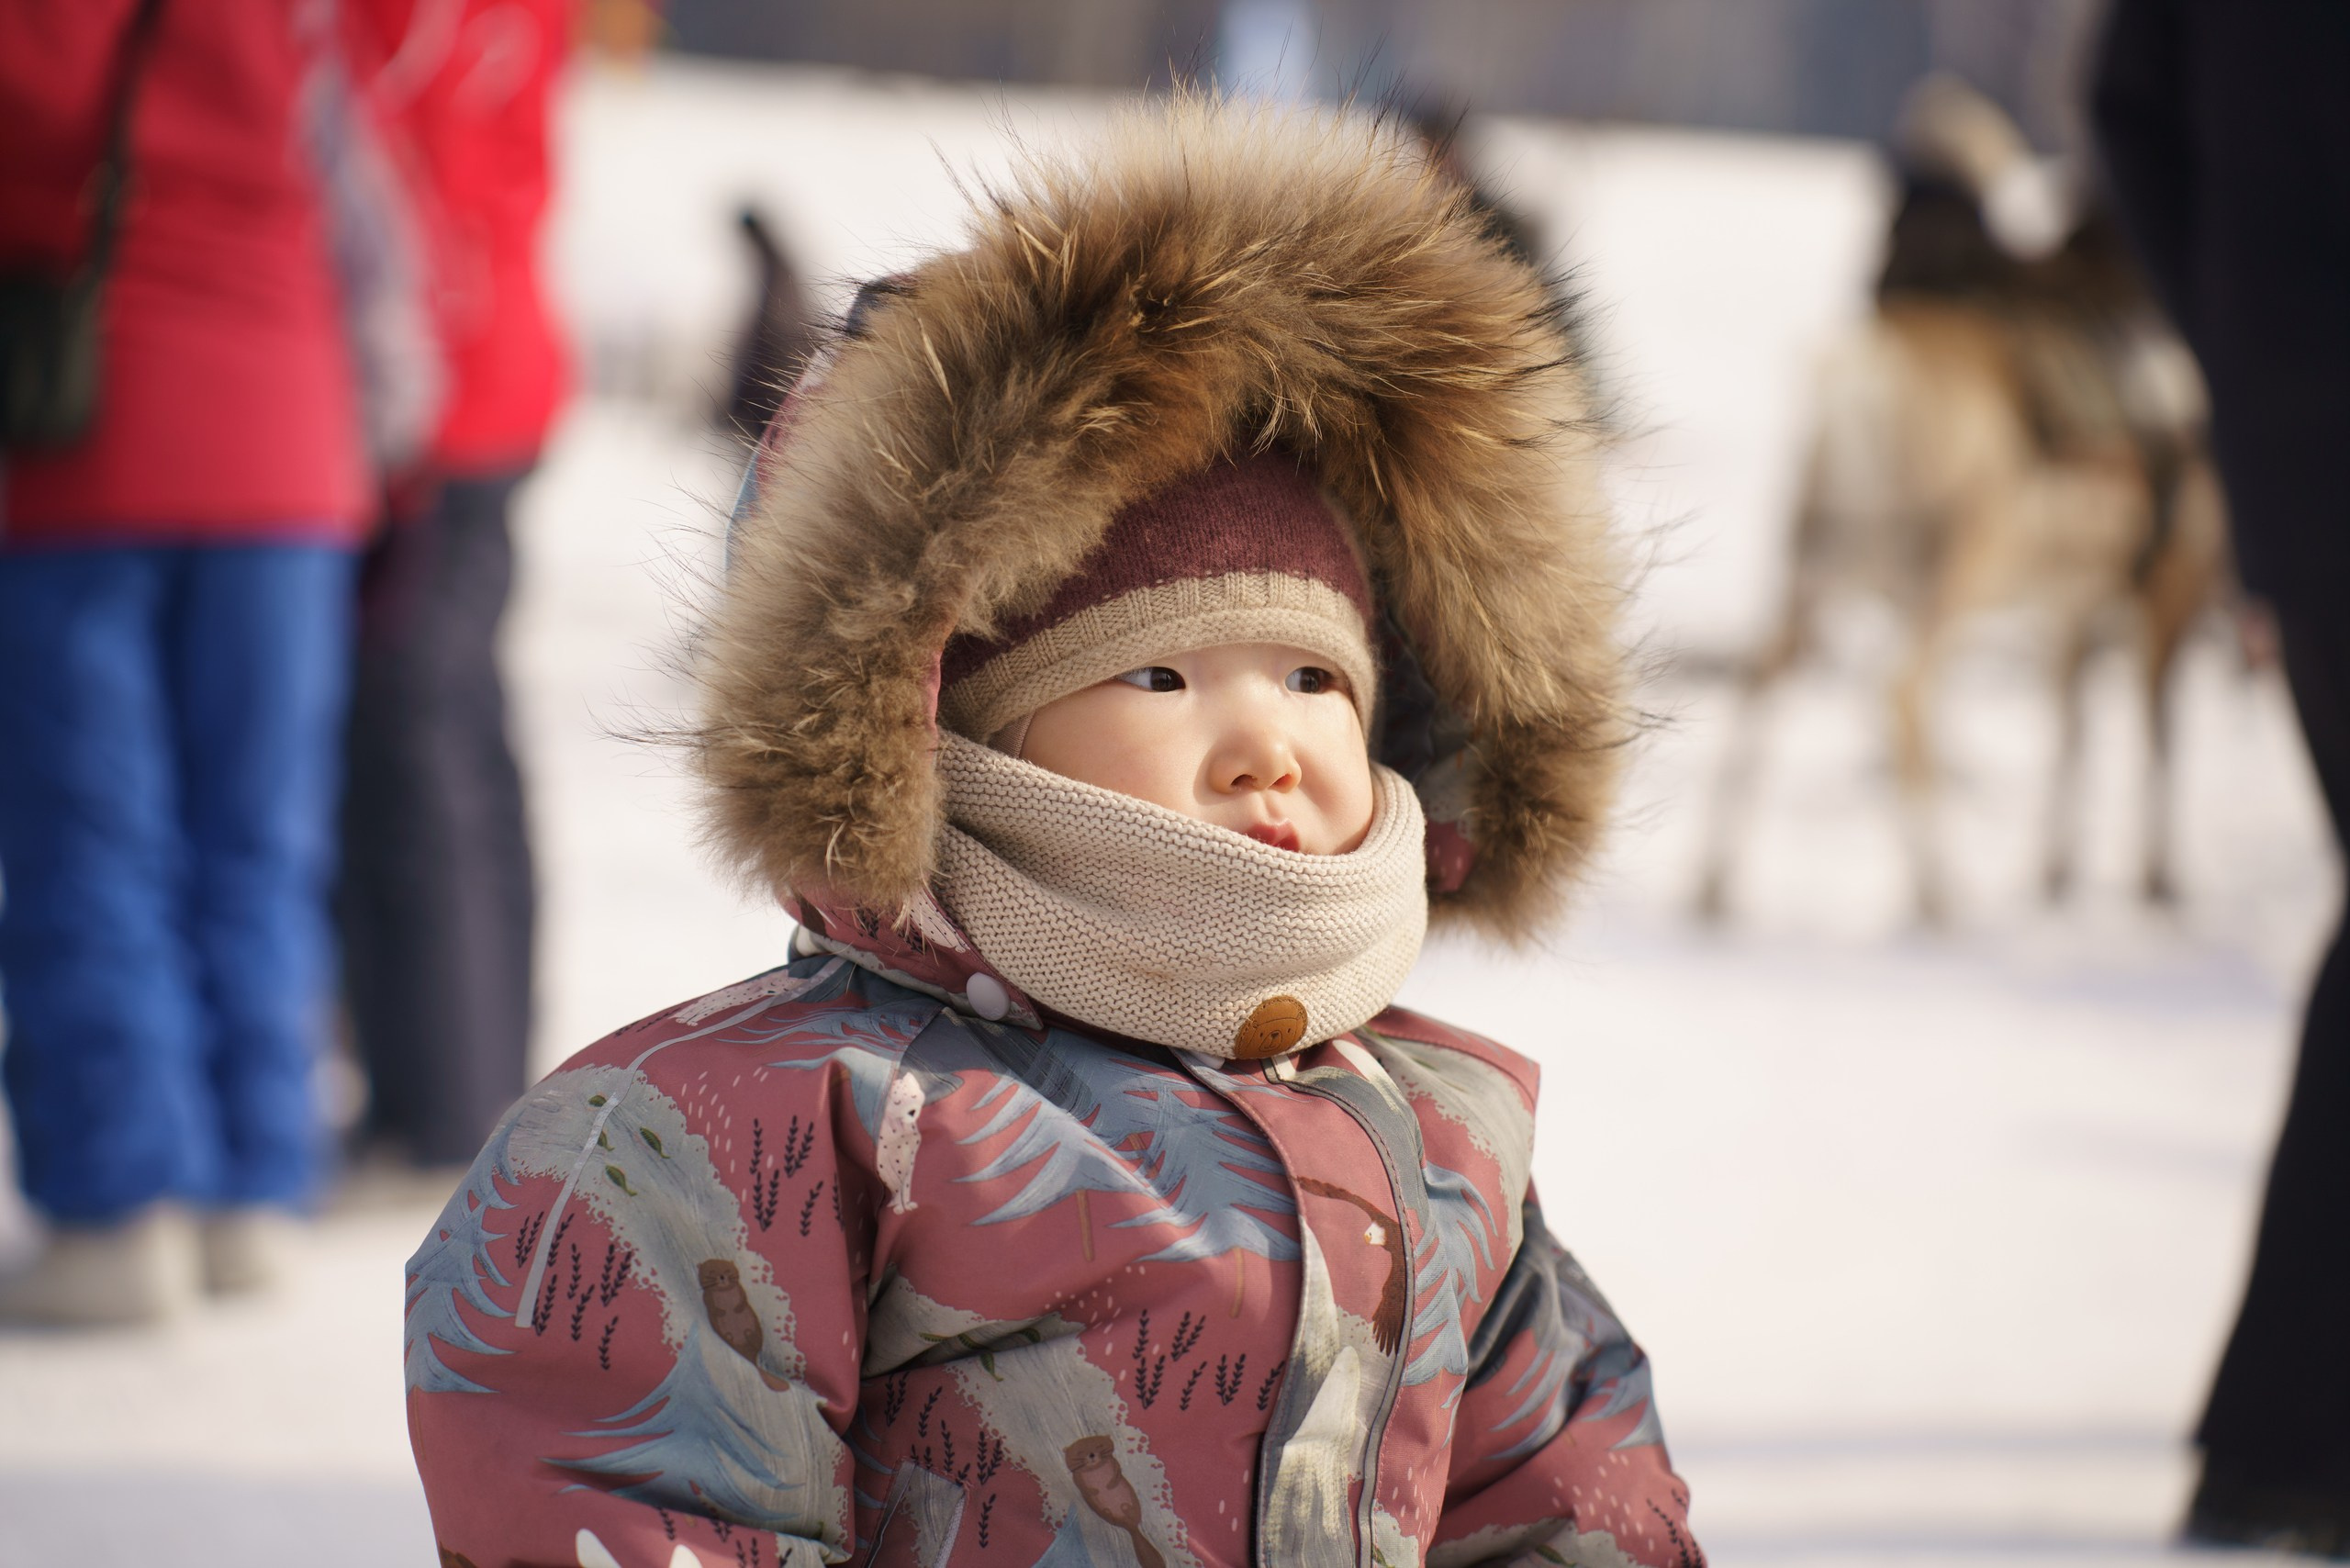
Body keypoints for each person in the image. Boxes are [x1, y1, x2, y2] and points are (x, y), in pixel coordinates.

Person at [402, 99, 1703, 1568]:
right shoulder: (763, 1128)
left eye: (1315, 678)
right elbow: (625, 1489)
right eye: (1161, 674)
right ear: (946, 724)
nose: (1268, 739)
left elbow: (1556, 1492)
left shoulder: (1444, 1133)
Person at [0, 0, 371, 1322]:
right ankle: (251, 1186)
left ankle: (119, 1206)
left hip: (102, 430)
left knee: (90, 835)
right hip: (294, 440)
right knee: (257, 835)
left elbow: (37, 104)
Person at [2093, 2, 2350, 1553]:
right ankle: (2292, 1440)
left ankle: (2288, 1437)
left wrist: (2264, 434)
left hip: (2302, 464)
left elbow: (2134, 115)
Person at [333, 0, 572, 1169]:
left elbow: (405, 145)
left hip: (443, 391)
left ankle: (446, 1095)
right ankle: (446, 1080)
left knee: (416, 736)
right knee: (437, 730)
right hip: (466, 373)